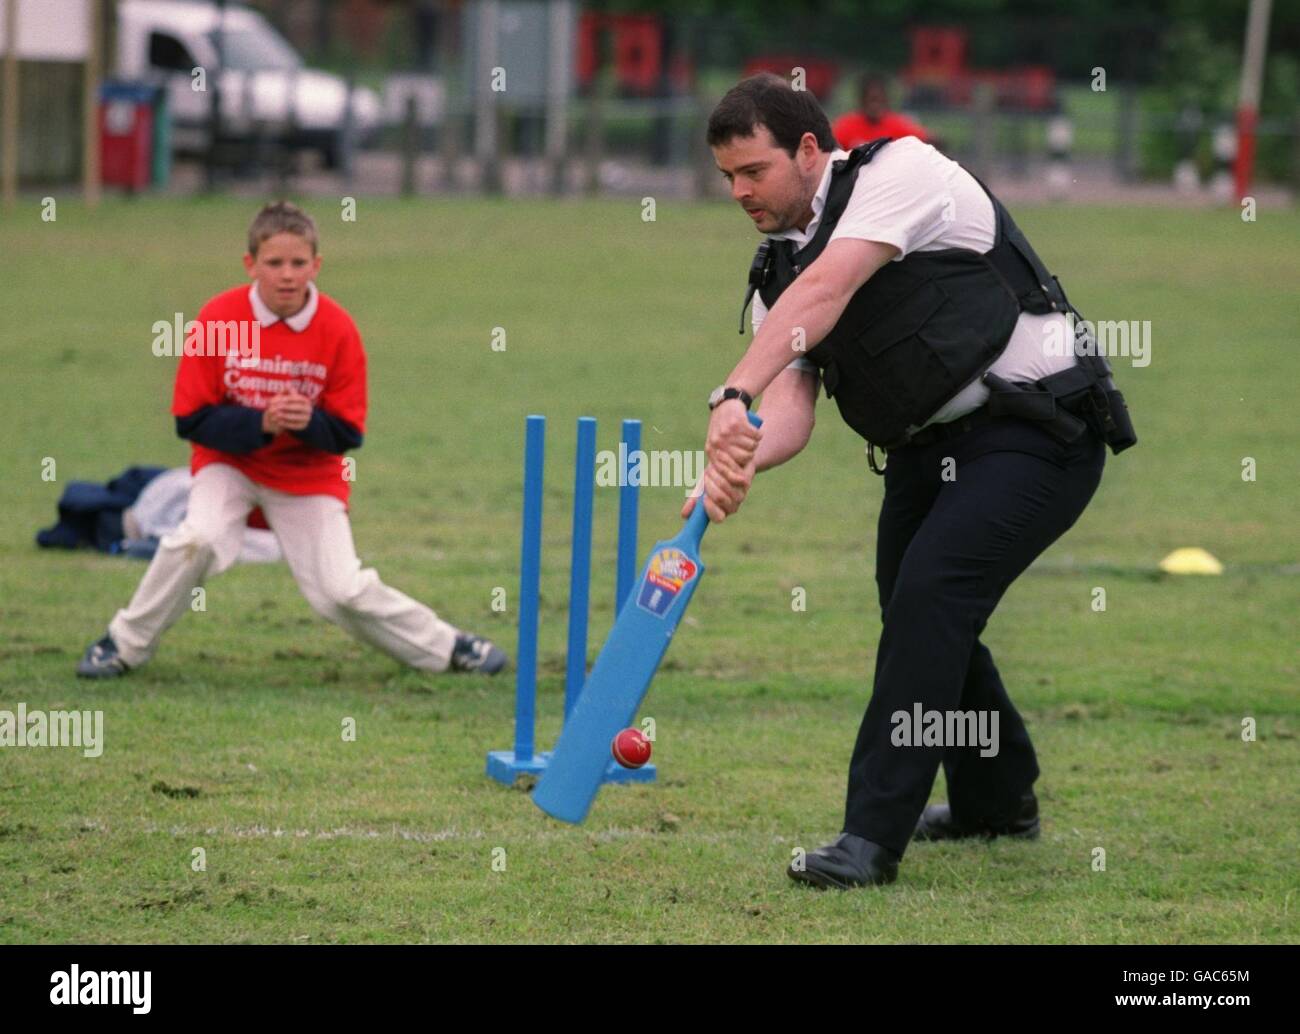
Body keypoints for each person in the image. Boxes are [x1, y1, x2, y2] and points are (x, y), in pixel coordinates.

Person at [688, 74, 1134, 888]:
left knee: (931, 597)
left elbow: (829, 290)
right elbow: (792, 404)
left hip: (1038, 431)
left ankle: (869, 839)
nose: (740, 192)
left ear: (810, 149)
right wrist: (737, 455)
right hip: (927, 453)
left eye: (754, 171)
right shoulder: (777, 272)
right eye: (728, 177)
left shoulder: (903, 172)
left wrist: (730, 393)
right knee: (918, 609)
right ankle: (996, 802)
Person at [77, 202, 508, 679]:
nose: (287, 275)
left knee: (339, 591)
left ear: (316, 265)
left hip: (308, 477)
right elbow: (191, 420)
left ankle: (450, 647)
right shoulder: (219, 317)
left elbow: (348, 433)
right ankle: (122, 645)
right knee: (197, 540)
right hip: (230, 466)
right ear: (250, 264)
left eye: (298, 262)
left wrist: (307, 422)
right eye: (274, 262)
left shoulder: (337, 328)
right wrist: (261, 423)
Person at [831, 72, 930, 149]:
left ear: (886, 100)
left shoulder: (899, 124)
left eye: (879, 100)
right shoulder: (846, 125)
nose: (874, 106)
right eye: (871, 100)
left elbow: (928, 141)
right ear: (862, 100)